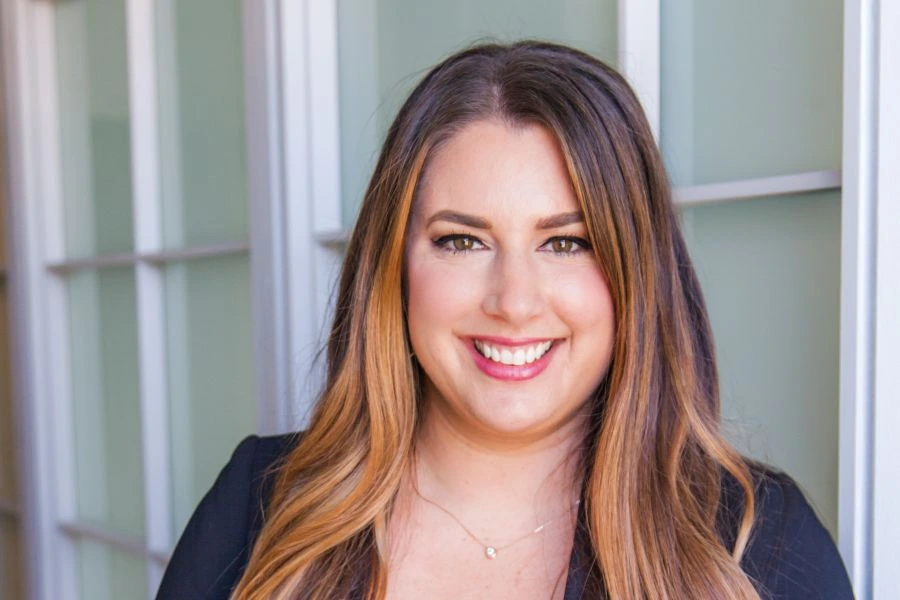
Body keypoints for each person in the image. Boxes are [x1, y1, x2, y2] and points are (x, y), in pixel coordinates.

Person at [157, 41, 853, 599]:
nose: (514, 302)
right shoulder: (258, 508)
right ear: (393, 266)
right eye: (462, 240)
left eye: (567, 242)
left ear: (637, 273)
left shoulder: (757, 541)